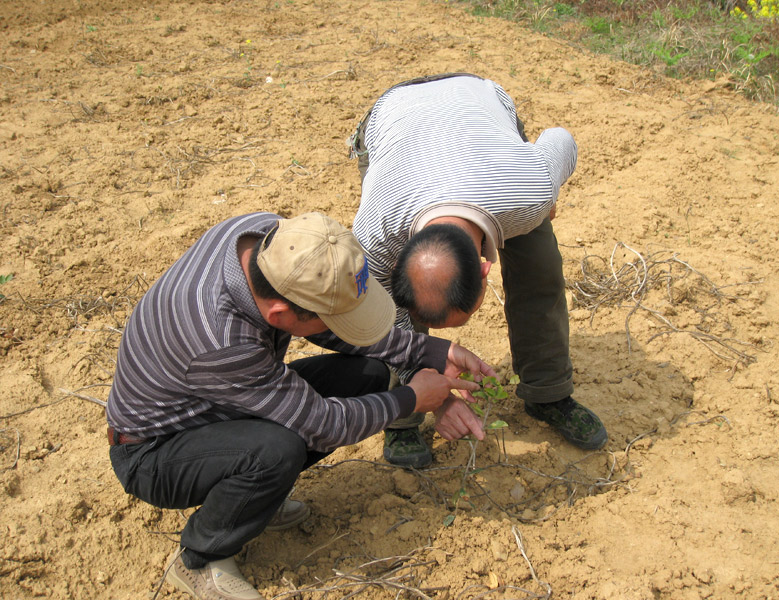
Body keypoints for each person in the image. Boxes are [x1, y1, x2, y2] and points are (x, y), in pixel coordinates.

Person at [106, 211, 493, 600]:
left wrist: (432, 351)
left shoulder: (273, 239)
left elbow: (337, 326)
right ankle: (202, 558)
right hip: (153, 450)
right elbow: (323, 425)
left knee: (367, 377)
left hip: (217, 401)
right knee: (277, 451)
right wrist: (411, 397)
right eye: (333, 317)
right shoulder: (223, 341)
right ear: (280, 315)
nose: (342, 324)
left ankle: (254, 501)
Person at [348, 73, 608, 469]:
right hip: (394, 117)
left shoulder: (528, 189)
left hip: (479, 109)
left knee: (540, 269)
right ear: (398, 259)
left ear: (486, 269)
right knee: (388, 311)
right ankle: (404, 418)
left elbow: (561, 139)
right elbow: (389, 319)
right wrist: (429, 385)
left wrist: (549, 192)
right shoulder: (374, 233)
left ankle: (549, 393)